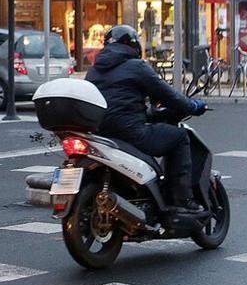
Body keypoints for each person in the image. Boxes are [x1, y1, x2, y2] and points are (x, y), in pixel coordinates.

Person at [85, 25, 207, 213]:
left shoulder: (93, 71)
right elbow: (169, 96)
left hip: (101, 134)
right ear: (133, 45)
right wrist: (192, 106)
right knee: (179, 137)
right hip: (130, 132)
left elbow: (116, 103)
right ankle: (181, 200)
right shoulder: (137, 67)